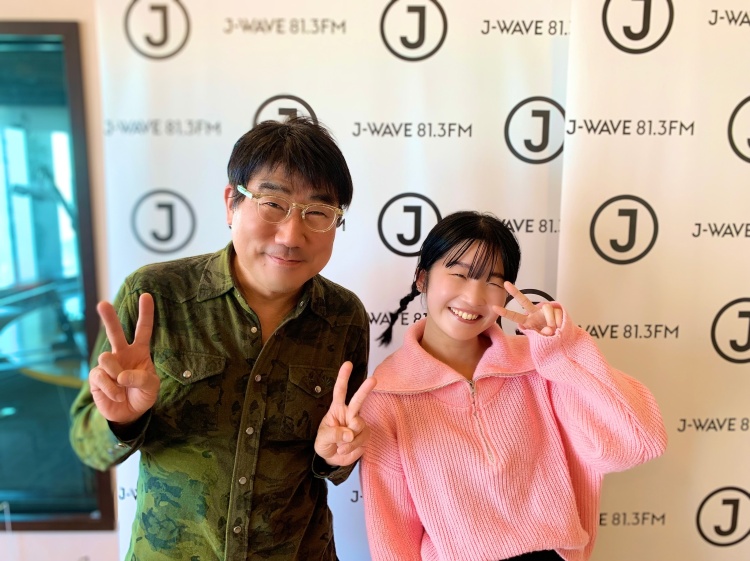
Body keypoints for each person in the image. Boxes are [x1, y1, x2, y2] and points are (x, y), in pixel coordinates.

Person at [69, 116, 375, 561]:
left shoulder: (344, 317)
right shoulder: (155, 296)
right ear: (232, 203)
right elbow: (87, 443)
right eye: (273, 203)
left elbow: (336, 460)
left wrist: (333, 457)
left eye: (317, 213)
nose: (292, 235)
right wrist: (122, 421)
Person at [359, 211, 667, 561]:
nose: (474, 296)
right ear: (422, 278)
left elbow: (637, 443)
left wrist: (562, 351)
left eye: (493, 281)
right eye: (459, 274)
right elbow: (392, 532)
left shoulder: (540, 365)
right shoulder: (387, 394)